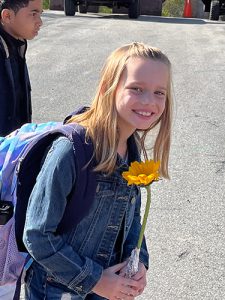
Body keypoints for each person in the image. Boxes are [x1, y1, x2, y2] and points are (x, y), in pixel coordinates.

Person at [22, 42, 173, 300]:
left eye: (160, 92)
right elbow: (37, 236)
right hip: (57, 289)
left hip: (108, 286)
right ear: (107, 89)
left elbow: (131, 218)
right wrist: (96, 280)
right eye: (136, 88)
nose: (149, 101)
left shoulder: (132, 149)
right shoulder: (71, 151)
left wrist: (139, 261)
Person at [0, 0, 43, 136]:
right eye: (33, 14)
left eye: (40, 14)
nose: (40, 21)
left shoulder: (17, 46)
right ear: (7, 16)